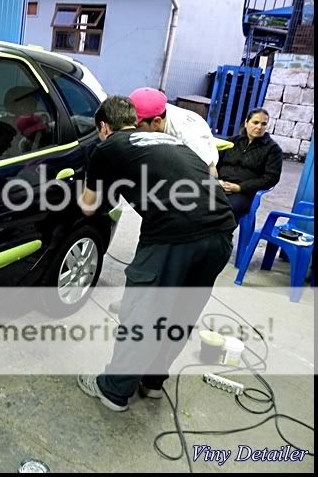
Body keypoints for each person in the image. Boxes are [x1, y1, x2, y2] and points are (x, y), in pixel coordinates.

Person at [77, 96, 236, 412]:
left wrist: (86, 185)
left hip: (171, 238)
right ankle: (152, 382)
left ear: (104, 127)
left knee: (142, 313)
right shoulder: (167, 139)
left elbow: (89, 206)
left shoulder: (106, 148)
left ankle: (114, 390)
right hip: (221, 233)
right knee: (180, 312)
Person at [129, 87, 219, 177]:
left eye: (137, 126)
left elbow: (211, 172)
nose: (132, 129)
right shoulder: (154, 111)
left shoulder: (189, 136)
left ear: (156, 122)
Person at [216, 107, 283, 222]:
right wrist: (217, 181)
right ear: (246, 123)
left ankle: (221, 238)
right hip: (219, 185)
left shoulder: (272, 149)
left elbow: (271, 178)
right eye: (255, 122)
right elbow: (215, 162)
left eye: (263, 124)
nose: (259, 127)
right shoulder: (232, 141)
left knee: (223, 212)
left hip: (244, 193)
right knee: (194, 202)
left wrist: (240, 187)